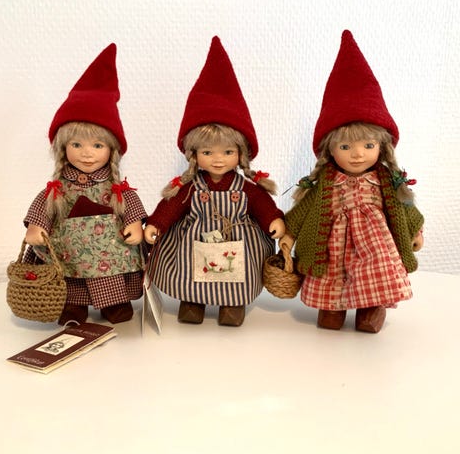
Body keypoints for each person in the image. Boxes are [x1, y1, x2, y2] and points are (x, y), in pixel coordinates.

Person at [281, 30, 424, 333]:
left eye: (368, 146)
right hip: (332, 248)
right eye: (346, 146)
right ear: (329, 150)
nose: (358, 155)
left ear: (382, 147)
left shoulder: (385, 181)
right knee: (332, 278)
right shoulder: (325, 183)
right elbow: (303, 211)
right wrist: (289, 234)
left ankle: (371, 308)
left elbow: (405, 208)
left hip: (374, 247)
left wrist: (416, 231)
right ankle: (332, 309)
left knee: (375, 274)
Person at [144, 36, 285, 327]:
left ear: (241, 154)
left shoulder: (246, 189)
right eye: (208, 152)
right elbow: (171, 207)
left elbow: (262, 205)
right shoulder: (190, 188)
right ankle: (192, 302)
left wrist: (273, 219)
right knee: (190, 272)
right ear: (194, 154)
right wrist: (157, 224)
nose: (218, 160)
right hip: (193, 241)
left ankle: (231, 305)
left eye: (228, 152)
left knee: (238, 275)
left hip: (237, 242)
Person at [24, 44, 147, 325]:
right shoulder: (58, 189)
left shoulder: (115, 188)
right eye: (76, 145)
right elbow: (43, 205)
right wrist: (36, 226)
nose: (87, 154)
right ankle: (73, 305)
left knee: (112, 271)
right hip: (69, 252)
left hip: (109, 253)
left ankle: (114, 303)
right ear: (62, 147)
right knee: (69, 276)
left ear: (112, 150)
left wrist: (134, 223)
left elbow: (130, 203)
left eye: (97, 145)